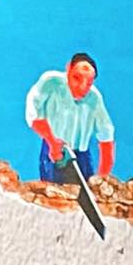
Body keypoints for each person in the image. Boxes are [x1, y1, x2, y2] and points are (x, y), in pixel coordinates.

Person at [27, 51, 117, 183]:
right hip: (52, 150)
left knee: (86, 192)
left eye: (88, 83)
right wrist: (52, 141)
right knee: (51, 191)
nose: (82, 88)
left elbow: (106, 137)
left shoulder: (95, 99)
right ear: (68, 68)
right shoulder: (50, 82)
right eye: (77, 78)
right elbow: (34, 114)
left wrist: (103, 177)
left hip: (82, 157)